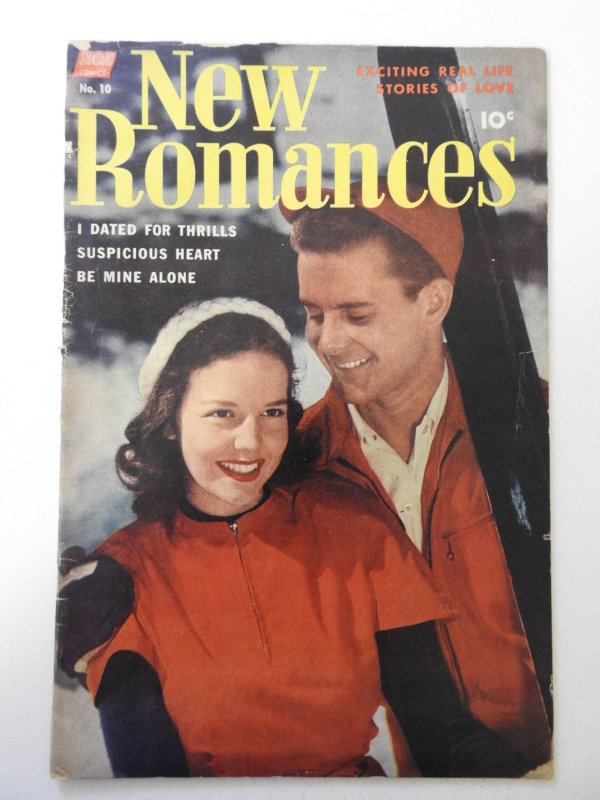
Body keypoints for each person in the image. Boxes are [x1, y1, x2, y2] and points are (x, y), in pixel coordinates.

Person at [57, 297, 529, 778]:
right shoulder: (120, 578)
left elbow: (442, 734)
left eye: (272, 412)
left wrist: (530, 782)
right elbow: (150, 784)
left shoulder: (355, 529)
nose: (251, 442)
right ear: (170, 421)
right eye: (222, 414)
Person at [279, 182, 552, 770]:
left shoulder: (544, 428)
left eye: (357, 314)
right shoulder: (296, 468)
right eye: (314, 314)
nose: (328, 340)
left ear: (433, 302)